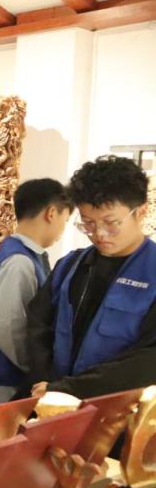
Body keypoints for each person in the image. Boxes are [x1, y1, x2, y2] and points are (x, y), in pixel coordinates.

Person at [26, 156, 156, 399]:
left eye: (111, 223)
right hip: (56, 400)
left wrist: (72, 389)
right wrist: (49, 384)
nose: (99, 234)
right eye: (88, 223)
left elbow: (147, 361)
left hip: (123, 407)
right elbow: (38, 327)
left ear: (141, 212)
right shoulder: (70, 266)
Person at [0, 179, 72, 406]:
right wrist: (36, 368)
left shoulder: (25, 254)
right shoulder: (19, 261)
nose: (63, 228)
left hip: (8, 375)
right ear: (51, 213)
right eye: (65, 220)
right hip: (6, 378)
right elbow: (7, 328)